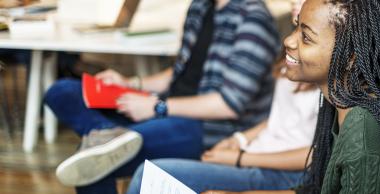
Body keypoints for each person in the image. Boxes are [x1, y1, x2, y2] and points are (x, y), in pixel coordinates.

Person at [206, 0, 380, 193]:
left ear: (351, 57)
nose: (288, 41)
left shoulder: (363, 133)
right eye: (296, 28)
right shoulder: (340, 102)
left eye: (306, 37)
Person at [43, 0, 280, 193]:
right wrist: (132, 83)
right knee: (62, 92)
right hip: (165, 106)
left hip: (209, 127)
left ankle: (107, 140)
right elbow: (178, 72)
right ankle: (108, 135)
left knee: (90, 163)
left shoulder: (253, 20)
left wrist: (157, 107)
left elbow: (229, 104)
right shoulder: (200, 6)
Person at [126, 58, 320, 193]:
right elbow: (281, 119)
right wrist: (238, 139)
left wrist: (239, 158)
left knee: (147, 175)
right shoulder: (295, 50)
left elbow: (318, 153)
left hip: (281, 173)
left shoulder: (330, 79)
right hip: (254, 152)